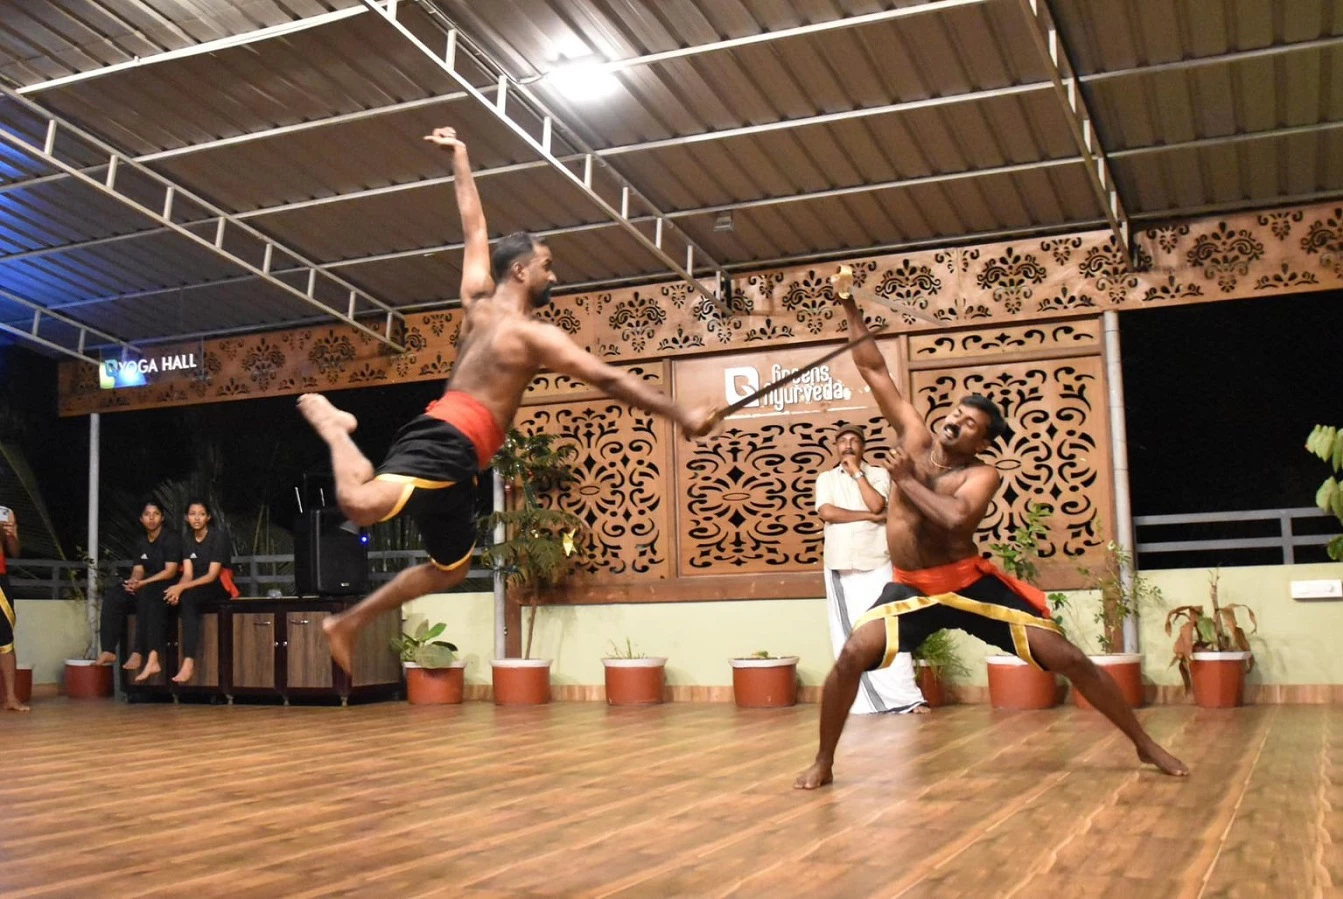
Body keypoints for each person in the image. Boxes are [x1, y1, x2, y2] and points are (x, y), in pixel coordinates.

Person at [298, 126, 718, 675]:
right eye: (547, 264)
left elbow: (474, 227)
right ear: (521, 271)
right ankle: (335, 428)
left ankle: (348, 623)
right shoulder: (532, 335)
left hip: (463, 459)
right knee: (360, 504)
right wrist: (682, 412)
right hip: (445, 436)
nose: (553, 273)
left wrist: (461, 156)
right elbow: (609, 379)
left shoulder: (476, 300)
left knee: (450, 568)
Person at [794, 276, 1188, 790]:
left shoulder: (982, 474)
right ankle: (824, 760)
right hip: (910, 588)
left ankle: (1144, 743)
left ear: (981, 442)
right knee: (850, 656)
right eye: (957, 413)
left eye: (970, 425)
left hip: (967, 584)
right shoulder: (913, 437)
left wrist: (906, 481)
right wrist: (848, 305)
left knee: (1069, 658)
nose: (956, 422)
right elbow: (873, 369)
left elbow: (956, 519)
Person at [815, 423, 926, 714]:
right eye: (842, 441)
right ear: (836, 447)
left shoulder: (878, 474)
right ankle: (857, 702)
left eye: (854, 441)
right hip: (841, 564)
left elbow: (878, 504)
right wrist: (867, 516)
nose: (848, 445)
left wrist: (857, 474)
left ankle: (905, 699)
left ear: (863, 447)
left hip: (877, 559)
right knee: (848, 634)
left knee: (888, 628)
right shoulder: (826, 478)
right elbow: (827, 512)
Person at [94, 501, 182, 680]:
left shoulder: (171, 538)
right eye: (147, 514)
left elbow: (170, 571)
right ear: (141, 519)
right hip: (146, 584)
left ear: (162, 518)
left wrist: (143, 583)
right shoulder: (141, 541)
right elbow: (139, 569)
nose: (151, 518)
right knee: (114, 595)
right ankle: (109, 650)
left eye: (155, 514)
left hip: (166, 585)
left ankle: (139, 651)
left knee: (147, 594)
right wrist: (134, 582)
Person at [164, 500, 232, 684]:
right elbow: (187, 574)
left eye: (201, 514)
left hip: (217, 584)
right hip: (194, 584)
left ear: (208, 517)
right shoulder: (187, 539)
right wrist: (177, 589)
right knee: (169, 597)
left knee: (187, 597)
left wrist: (182, 588)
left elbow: (211, 575)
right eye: (192, 514)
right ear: (187, 517)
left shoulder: (218, 537)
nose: (197, 518)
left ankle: (188, 661)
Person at [0, 504, 26, 711]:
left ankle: (10, 697)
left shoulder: (5, 512)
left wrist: (10, 533)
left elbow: (15, 552)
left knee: (5, 639)